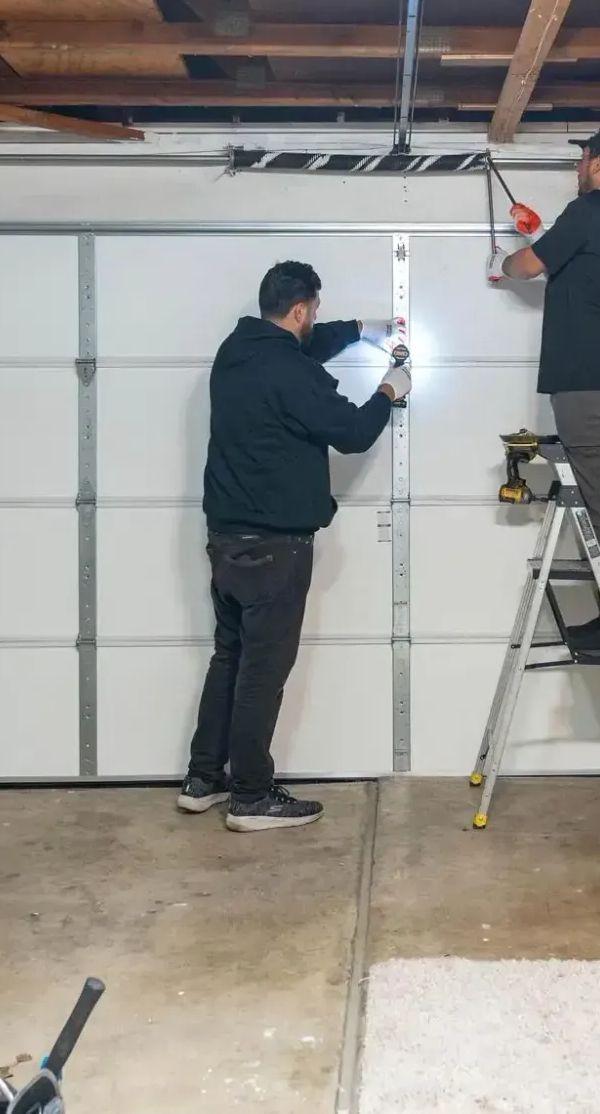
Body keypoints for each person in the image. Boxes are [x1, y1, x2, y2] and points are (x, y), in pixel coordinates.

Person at [181, 260, 408, 831]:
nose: (316, 322)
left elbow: (300, 348)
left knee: (230, 658)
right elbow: (353, 433)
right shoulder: (293, 373)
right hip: (275, 550)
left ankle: (203, 778)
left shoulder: (235, 352)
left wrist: (362, 329)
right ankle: (251, 796)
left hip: (226, 541)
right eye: (316, 313)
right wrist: (389, 390)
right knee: (262, 671)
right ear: (303, 309)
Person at [497, 123, 600, 663]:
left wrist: (508, 259)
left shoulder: (587, 213)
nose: (578, 166)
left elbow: (528, 266)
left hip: (591, 386)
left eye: (583, 156)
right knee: (596, 502)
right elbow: (578, 271)